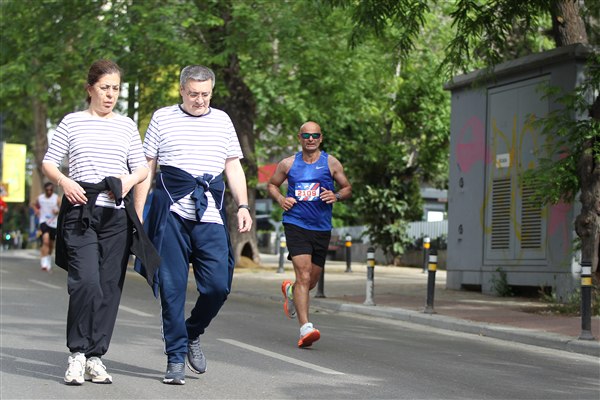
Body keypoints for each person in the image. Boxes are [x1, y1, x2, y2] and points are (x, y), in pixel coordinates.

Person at [134, 65, 252, 385]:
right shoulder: (162, 117)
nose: (200, 100)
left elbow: (233, 166)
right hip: (171, 215)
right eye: (193, 94)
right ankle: (175, 358)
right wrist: (139, 211)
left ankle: (192, 332)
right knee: (171, 289)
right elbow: (148, 166)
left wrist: (243, 205)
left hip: (209, 215)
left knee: (217, 286)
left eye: (205, 94)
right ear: (181, 91)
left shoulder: (223, 120)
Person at [42, 59, 152, 386]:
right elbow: (49, 163)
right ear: (90, 89)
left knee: (108, 288)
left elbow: (142, 167)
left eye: (115, 89)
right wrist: (64, 182)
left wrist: (129, 180)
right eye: (104, 88)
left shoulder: (126, 126)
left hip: (115, 216)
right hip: (81, 213)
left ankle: (95, 357)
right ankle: (76, 353)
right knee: (86, 283)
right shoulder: (72, 122)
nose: (110, 95)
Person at [267, 121, 352, 348]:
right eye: (306, 135)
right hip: (295, 224)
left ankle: (291, 291)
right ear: (300, 138)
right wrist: (281, 199)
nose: (311, 139)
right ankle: (306, 328)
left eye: (315, 135)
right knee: (303, 275)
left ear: (321, 138)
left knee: (311, 280)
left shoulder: (331, 163)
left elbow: (347, 187)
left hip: (321, 227)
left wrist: (336, 196)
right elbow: (272, 185)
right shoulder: (288, 163)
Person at [34, 182, 60, 272]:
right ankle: (43, 262)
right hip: (44, 221)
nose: (49, 192)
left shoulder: (56, 198)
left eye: (51, 190)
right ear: (44, 190)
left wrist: (57, 211)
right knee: (45, 241)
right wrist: (36, 210)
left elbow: (62, 209)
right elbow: (33, 204)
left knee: (51, 244)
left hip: (53, 223)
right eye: (47, 190)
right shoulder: (40, 198)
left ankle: (48, 259)